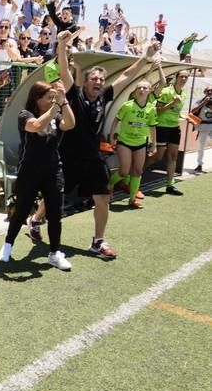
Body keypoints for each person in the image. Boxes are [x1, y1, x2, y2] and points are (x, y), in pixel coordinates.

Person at [57, 29, 160, 258]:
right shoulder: (74, 94)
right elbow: (64, 72)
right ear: (85, 82)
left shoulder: (104, 96)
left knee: (102, 197)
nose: (98, 82)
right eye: (94, 79)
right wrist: (62, 47)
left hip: (92, 158)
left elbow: (128, 76)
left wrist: (145, 57)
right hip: (69, 156)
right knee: (55, 197)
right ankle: (35, 219)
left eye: (101, 80)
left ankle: (98, 241)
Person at [0, 80, 75, 269]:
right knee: (22, 210)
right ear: (37, 99)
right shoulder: (25, 115)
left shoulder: (55, 116)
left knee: (55, 212)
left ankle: (55, 252)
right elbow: (36, 126)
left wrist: (64, 102)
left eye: (53, 97)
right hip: (29, 171)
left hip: (53, 171)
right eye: (49, 97)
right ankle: (8, 245)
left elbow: (71, 124)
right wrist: (56, 106)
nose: (52, 100)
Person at [107, 62, 163, 208]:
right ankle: (110, 184)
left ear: (150, 91)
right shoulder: (127, 105)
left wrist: (154, 145)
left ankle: (132, 199)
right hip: (124, 141)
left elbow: (152, 127)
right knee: (124, 171)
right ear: (136, 90)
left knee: (138, 171)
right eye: (139, 87)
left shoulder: (151, 108)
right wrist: (112, 135)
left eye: (145, 88)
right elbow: (116, 120)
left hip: (141, 143)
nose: (142, 90)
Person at [147, 70, 189, 195]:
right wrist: (172, 103)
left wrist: (184, 116)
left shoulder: (184, 93)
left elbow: (176, 110)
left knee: (173, 156)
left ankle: (170, 185)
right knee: (157, 156)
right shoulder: (166, 91)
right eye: (181, 76)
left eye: (186, 77)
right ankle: (135, 174)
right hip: (162, 127)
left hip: (174, 127)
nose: (183, 79)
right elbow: (158, 111)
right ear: (176, 78)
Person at [191, 87, 212, 173]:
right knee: (201, 147)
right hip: (203, 127)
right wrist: (204, 103)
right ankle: (199, 164)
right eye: (208, 91)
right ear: (205, 92)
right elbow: (193, 110)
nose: (210, 92)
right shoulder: (200, 101)